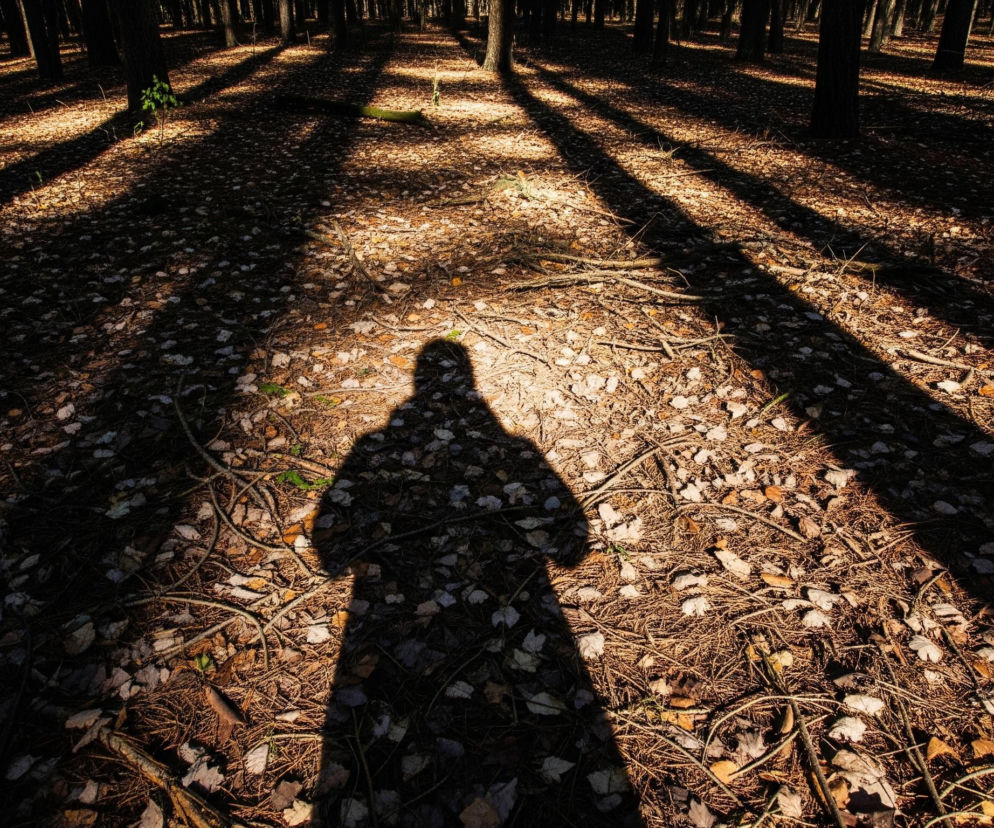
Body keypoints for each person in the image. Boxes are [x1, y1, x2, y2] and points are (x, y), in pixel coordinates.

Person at [316, 339, 642, 826]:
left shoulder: (372, 444)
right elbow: (571, 546)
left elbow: (329, 547)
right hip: (523, 609)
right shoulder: (516, 448)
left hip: (389, 630)